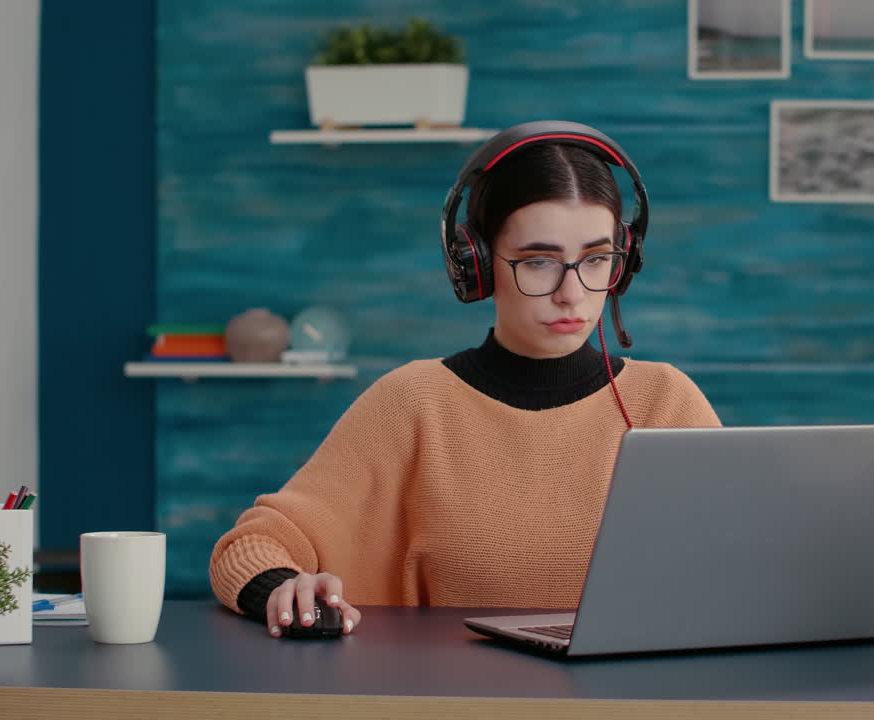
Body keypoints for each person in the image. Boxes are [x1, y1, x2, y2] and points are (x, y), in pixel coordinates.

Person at [208, 121, 721, 638]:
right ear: (474, 262)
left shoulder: (667, 404)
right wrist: (280, 586)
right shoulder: (412, 403)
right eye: (539, 261)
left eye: (596, 259)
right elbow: (252, 545)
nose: (572, 293)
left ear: (625, 260)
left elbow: (744, 560)